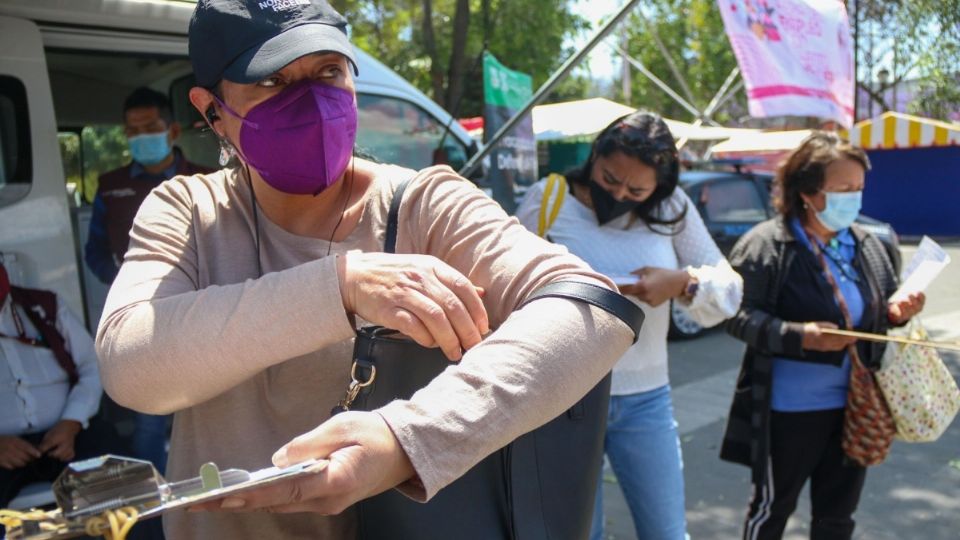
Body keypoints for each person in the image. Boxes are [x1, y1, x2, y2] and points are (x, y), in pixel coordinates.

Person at [94, 1, 635, 538]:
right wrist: (343, 287)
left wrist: (407, 440)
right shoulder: (187, 209)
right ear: (211, 108)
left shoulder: (425, 203)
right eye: (273, 81)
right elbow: (129, 365)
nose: (309, 101)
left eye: (329, 71)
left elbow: (591, 308)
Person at [515, 111, 743, 540]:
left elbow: (730, 288)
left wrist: (682, 283)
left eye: (636, 189)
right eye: (609, 178)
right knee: (581, 532)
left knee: (667, 533)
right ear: (594, 156)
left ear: (660, 185)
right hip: (565, 397)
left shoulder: (673, 208)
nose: (619, 193)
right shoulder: (549, 198)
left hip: (646, 400)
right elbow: (507, 280)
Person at [720, 132, 925, 540]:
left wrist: (897, 313)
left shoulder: (870, 244)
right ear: (807, 192)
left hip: (856, 404)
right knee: (771, 511)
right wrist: (800, 337)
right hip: (788, 411)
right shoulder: (766, 245)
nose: (853, 199)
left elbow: (879, 310)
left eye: (859, 189)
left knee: (837, 517)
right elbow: (735, 315)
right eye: (842, 189)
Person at [84, 87, 210, 478]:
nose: (141, 137)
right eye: (132, 131)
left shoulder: (209, 179)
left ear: (172, 131)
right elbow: (95, 253)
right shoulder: (109, 186)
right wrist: (124, 285)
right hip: (146, 322)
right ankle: (153, 514)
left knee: (214, 408)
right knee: (149, 421)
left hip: (206, 314)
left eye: (149, 127)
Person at [0, 262, 106, 508]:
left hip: (69, 435)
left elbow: (93, 365)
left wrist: (71, 421)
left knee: (126, 487)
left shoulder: (44, 307)